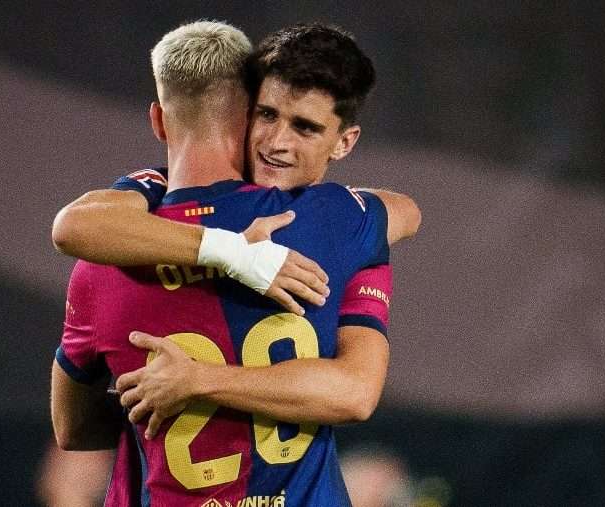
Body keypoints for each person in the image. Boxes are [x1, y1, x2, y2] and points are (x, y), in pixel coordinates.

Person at [51, 21, 419, 506]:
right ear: (243, 115)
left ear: (159, 121)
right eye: (267, 115)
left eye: (304, 127)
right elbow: (407, 212)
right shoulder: (341, 224)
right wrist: (231, 253)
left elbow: (73, 428)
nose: (277, 142)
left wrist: (190, 386)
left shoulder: (105, 257)